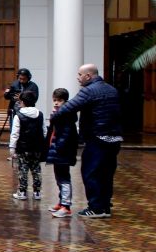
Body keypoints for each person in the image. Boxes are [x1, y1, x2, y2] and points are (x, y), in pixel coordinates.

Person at [50, 64, 122, 219]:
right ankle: (105, 206)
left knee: (91, 172)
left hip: (97, 138)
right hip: (114, 138)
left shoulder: (89, 90)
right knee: (107, 173)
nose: (78, 77)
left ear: (88, 76)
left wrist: (54, 116)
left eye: (80, 74)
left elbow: (69, 107)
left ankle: (95, 208)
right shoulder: (111, 89)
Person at [45, 88, 79, 218]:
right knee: (59, 177)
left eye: (59, 101)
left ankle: (66, 206)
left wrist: (59, 148)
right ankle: (61, 202)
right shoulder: (60, 115)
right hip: (57, 151)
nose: (56, 103)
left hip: (62, 151)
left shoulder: (66, 117)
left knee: (64, 178)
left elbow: (65, 136)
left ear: (65, 101)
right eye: (54, 100)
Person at [9, 90, 44, 200]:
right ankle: (37, 192)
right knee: (36, 170)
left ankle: (22, 192)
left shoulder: (18, 115)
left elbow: (15, 133)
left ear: (22, 102)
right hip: (37, 147)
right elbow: (43, 131)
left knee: (23, 169)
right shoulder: (40, 114)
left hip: (23, 148)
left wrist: (12, 148)